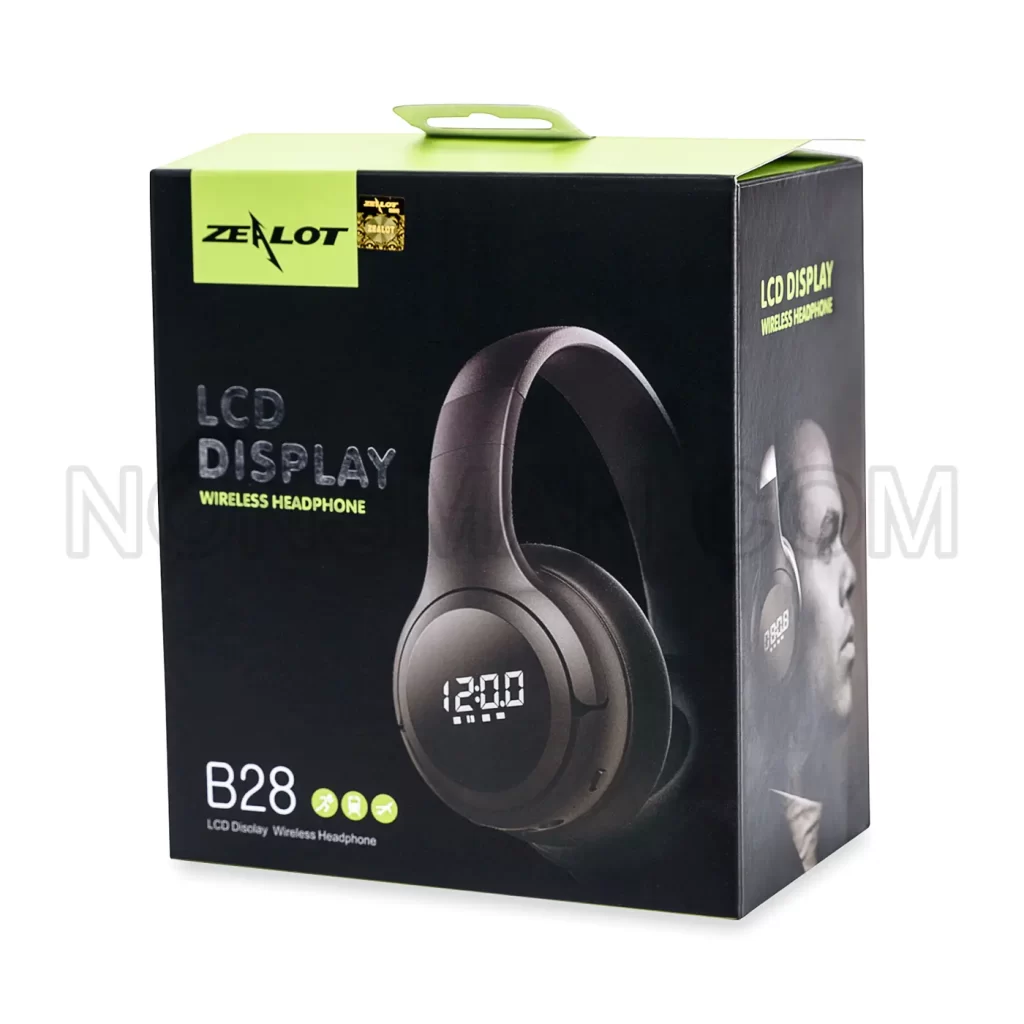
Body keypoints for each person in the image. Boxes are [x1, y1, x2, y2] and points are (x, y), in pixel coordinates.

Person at [748, 419, 858, 894]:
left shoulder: (838, 828)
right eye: (825, 540)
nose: (851, 575)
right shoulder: (751, 862)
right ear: (779, 596)